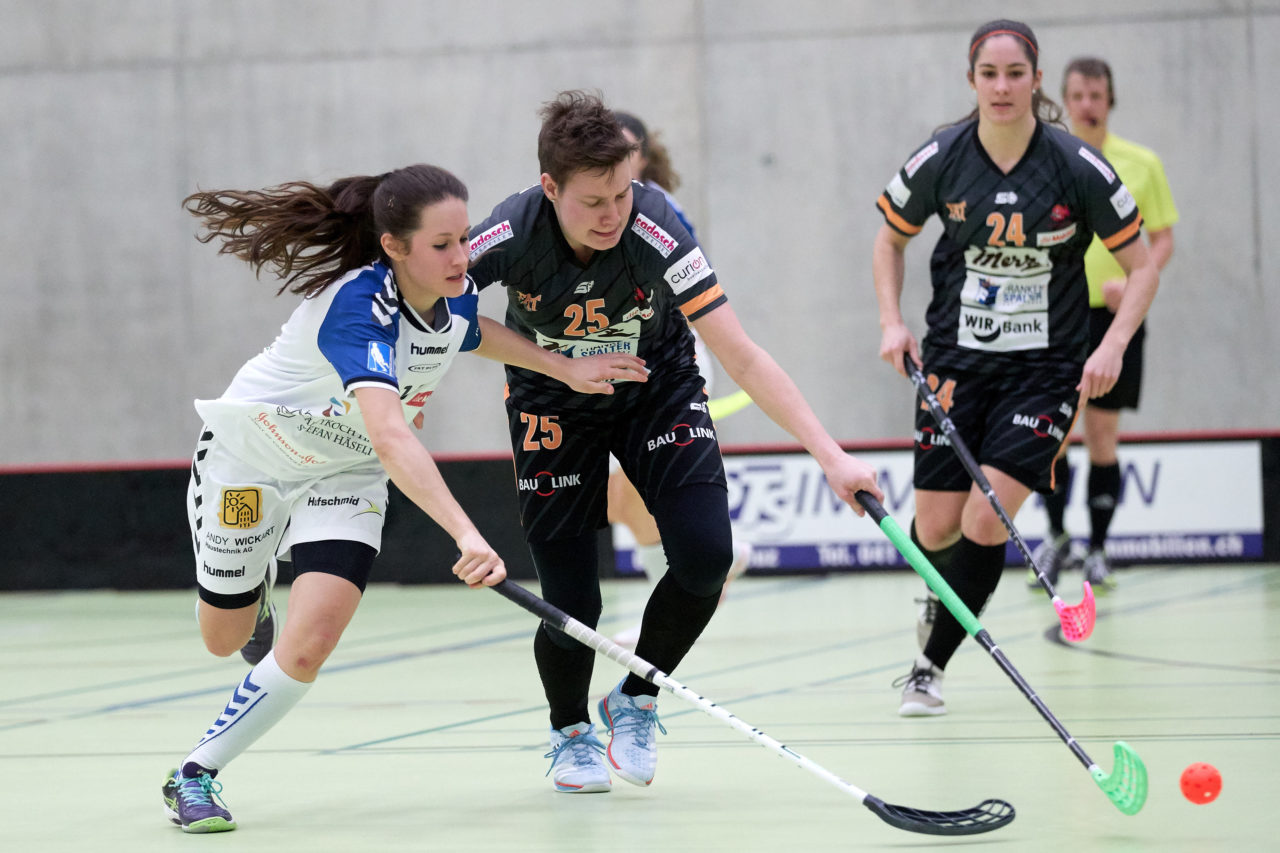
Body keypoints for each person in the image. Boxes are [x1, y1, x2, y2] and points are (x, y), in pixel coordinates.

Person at [162, 164, 647, 833]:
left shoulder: (448, 300)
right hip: (251, 462)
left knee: (310, 645)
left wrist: (567, 366)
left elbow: (473, 331)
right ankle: (255, 601)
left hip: (344, 475)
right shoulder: (357, 308)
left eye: (463, 240)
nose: (463, 257)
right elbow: (392, 434)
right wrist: (467, 534)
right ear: (394, 246)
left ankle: (195, 772)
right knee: (227, 637)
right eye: (443, 245)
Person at [467, 90, 882, 793]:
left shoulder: (657, 228)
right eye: (593, 201)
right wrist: (562, 364)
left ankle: (636, 697)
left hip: (655, 389)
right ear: (550, 188)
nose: (612, 215)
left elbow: (742, 354)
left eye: (622, 194)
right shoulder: (509, 231)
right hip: (549, 398)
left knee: (706, 556)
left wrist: (830, 455)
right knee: (574, 603)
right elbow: (439, 311)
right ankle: (570, 729)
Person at [871, 20, 1160, 717]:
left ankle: (927, 666)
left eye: (1015, 73)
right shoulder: (941, 157)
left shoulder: (1076, 165)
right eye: (989, 74)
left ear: (1036, 79)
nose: (1002, 87)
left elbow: (1142, 264)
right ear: (972, 80)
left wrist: (1113, 343)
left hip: (1046, 370)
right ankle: (942, 600)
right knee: (935, 527)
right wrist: (891, 320)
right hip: (955, 363)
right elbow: (888, 239)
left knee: (985, 517)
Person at [1027, 56, 1179, 592]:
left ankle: (1098, 548)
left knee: (1103, 436)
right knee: (1053, 434)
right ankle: (1056, 538)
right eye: (1078, 95)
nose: (1087, 105)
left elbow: (1160, 237)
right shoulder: (1048, 160)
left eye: (1096, 95)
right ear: (1063, 100)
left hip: (1116, 320)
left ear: (1109, 100)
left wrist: (1136, 280)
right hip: (1057, 318)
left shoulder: (1141, 163)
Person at [607, 111, 751, 647]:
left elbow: (693, 297)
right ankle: (716, 560)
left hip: (670, 361)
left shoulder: (658, 211)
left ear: (641, 157)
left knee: (635, 490)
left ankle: (672, 603)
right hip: (617, 365)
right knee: (619, 499)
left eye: (624, 151)